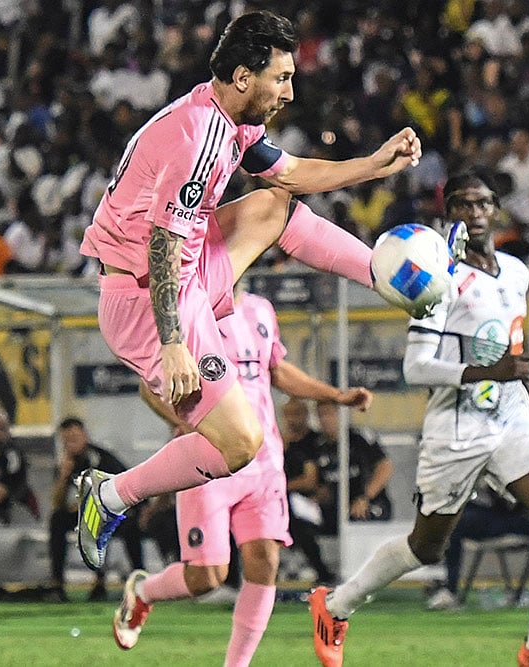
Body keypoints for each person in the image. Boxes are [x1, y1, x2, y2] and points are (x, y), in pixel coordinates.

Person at [74, 10, 425, 573]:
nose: (289, 92)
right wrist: (174, 343)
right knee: (241, 443)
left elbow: (289, 175)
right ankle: (111, 495)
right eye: (281, 78)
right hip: (147, 298)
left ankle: (383, 275)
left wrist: (372, 166)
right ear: (243, 77)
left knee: (270, 205)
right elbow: (162, 245)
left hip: (186, 271)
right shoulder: (195, 138)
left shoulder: (228, 119)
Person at [309, 169, 529, 667]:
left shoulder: (517, 271)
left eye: (482, 203)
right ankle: (336, 604)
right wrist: (487, 371)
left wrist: (511, 376)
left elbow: (506, 340)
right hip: (457, 427)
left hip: (510, 416)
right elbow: (415, 367)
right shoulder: (437, 278)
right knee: (426, 547)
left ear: (495, 209)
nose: (474, 213)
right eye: (462, 205)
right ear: (448, 213)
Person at [113, 284, 373, 665]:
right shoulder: (188, 310)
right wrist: (190, 424)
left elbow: (276, 369)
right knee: (207, 577)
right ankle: (143, 593)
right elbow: (149, 389)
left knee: (265, 562)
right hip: (208, 463)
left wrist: (334, 396)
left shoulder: (260, 309)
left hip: (265, 462)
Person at [48, 417, 147, 601]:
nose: (70, 444)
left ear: (85, 437)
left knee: (114, 523)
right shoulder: (66, 463)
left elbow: (119, 490)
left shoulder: (101, 459)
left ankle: (137, 578)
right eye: (66, 440)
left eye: (74, 439)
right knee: (57, 519)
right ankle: (57, 584)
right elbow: (57, 502)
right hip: (85, 512)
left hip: (118, 510)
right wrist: (63, 476)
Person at [426, 482, 529, 611]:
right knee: (452, 512)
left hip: (523, 520)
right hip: (501, 514)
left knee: (455, 523)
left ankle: (451, 589)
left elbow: (515, 503)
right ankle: (449, 588)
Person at [312, 400, 394, 536]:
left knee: (361, 518)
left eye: (329, 414)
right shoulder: (319, 446)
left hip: (369, 502)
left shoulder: (359, 438)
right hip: (338, 508)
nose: (325, 419)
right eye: (320, 415)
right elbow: (322, 481)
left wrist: (365, 497)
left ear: (340, 414)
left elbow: (385, 467)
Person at [282, 397, 339, 584]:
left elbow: (310, 480)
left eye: (297, 414)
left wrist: (282, 487)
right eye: (288, 415)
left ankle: (322, 573)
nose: (293, 419)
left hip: (314, 502)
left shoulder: (315, 442)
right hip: (285, 502)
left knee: (299, 524)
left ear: (306, 415)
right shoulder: (281, 443)